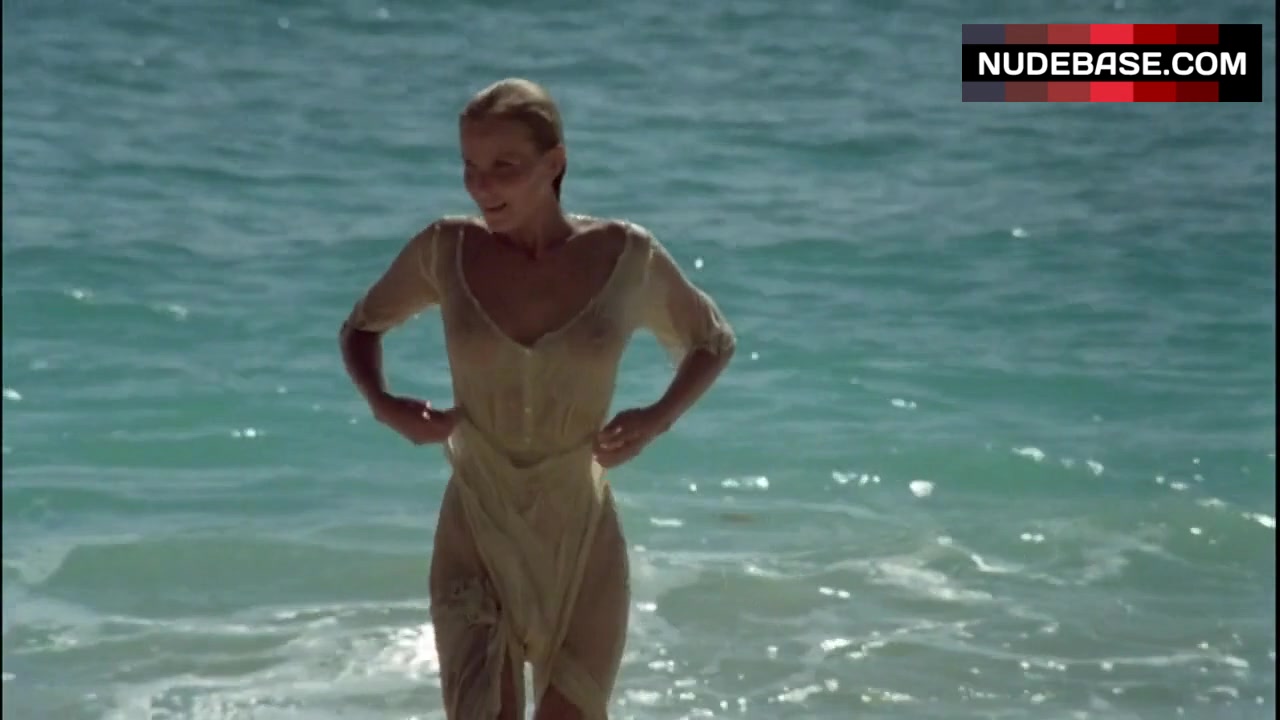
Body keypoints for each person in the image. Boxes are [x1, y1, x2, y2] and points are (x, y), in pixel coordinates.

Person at [338, 78, 736, 720]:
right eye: (470, 166)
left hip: (579, 537)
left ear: (554, 164)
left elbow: (711, 342)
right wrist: (384, 403)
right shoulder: (446, 249)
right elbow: (360, 327)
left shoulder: (625, 256)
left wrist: (656, 419)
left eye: (505, 167)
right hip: (476, 524)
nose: (481, 186)